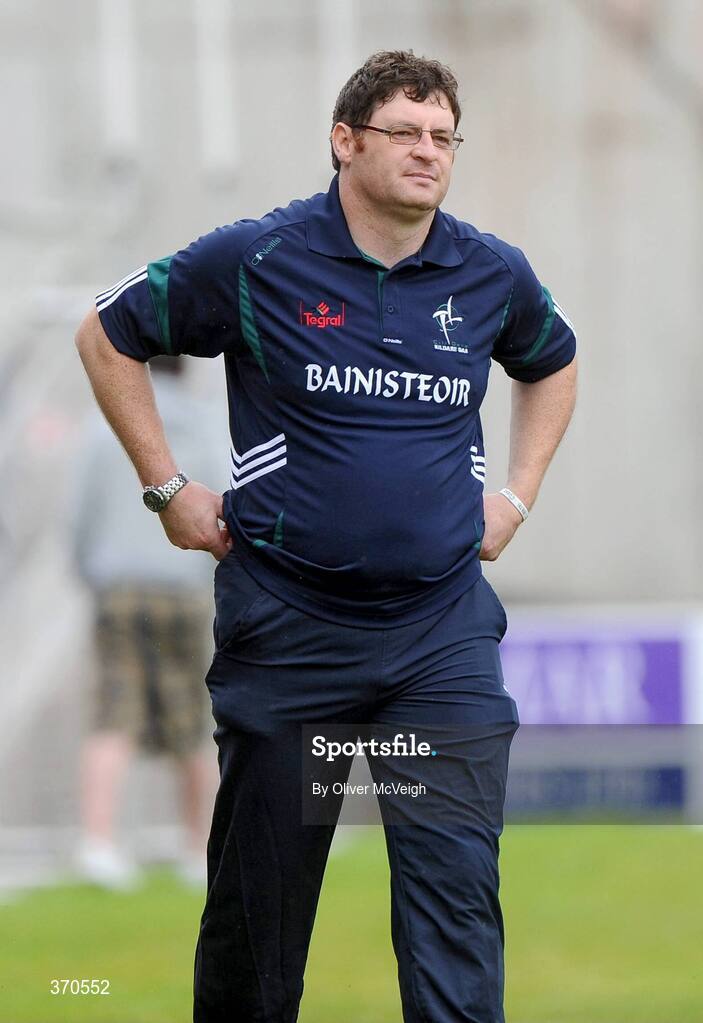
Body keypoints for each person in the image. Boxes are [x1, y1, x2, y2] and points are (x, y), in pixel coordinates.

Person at [76, 49, 577, 1023]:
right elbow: (108, 333)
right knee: (260, 932)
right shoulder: (259, 259)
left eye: (443, 138)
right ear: (344, 143)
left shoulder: (488, 273)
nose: (428, 152)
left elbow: (551, 365)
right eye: (405, 133)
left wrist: (514, 498)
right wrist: (168, 487)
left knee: (453, 911)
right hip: (292, 638)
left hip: (439, 642)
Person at [71, 356, 219, 889]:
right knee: (191, 720)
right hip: (182, 586)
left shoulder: (104, 424)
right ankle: (195, 847)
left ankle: (99, 843)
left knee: (115, 712)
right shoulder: (203, 422)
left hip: (118, 587)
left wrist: (92, 572)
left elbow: (80, 513)